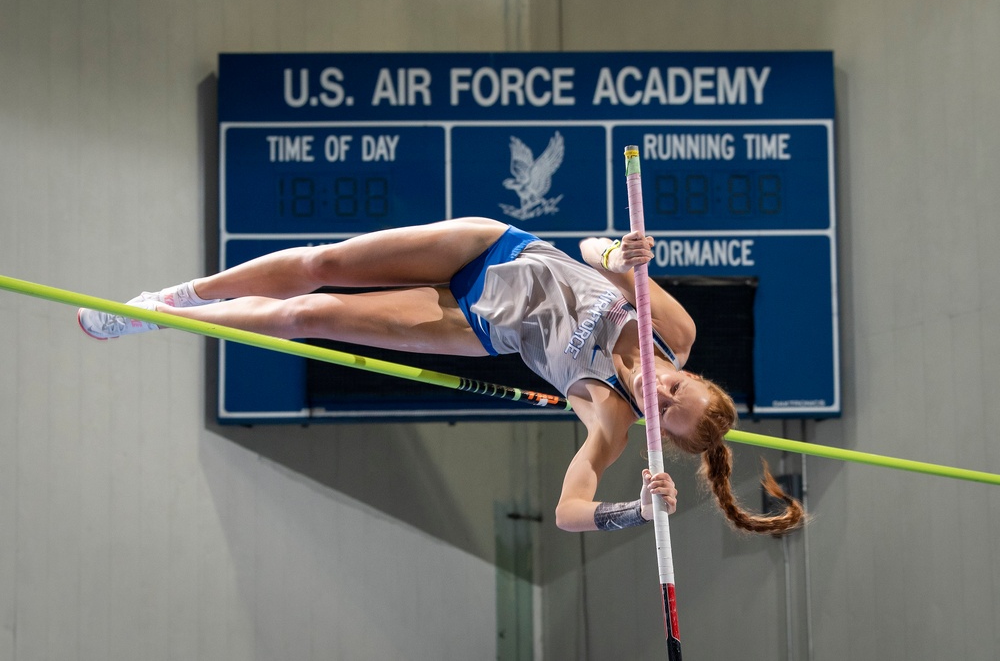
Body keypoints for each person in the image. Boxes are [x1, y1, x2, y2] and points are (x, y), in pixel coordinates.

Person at [78, 217, 804, 534]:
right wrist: (622, 257)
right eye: (678, 385)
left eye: (664, 406)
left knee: (310, 315)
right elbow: (588, 247)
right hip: (496, 250)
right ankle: (181, 296)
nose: (661, 387)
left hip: (478, 325)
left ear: (655, 429)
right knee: (321, 265)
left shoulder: (611, 423)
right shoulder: (673, 333)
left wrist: (633, 513)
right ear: (692, 373)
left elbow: (567, 510)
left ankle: (158, 323)